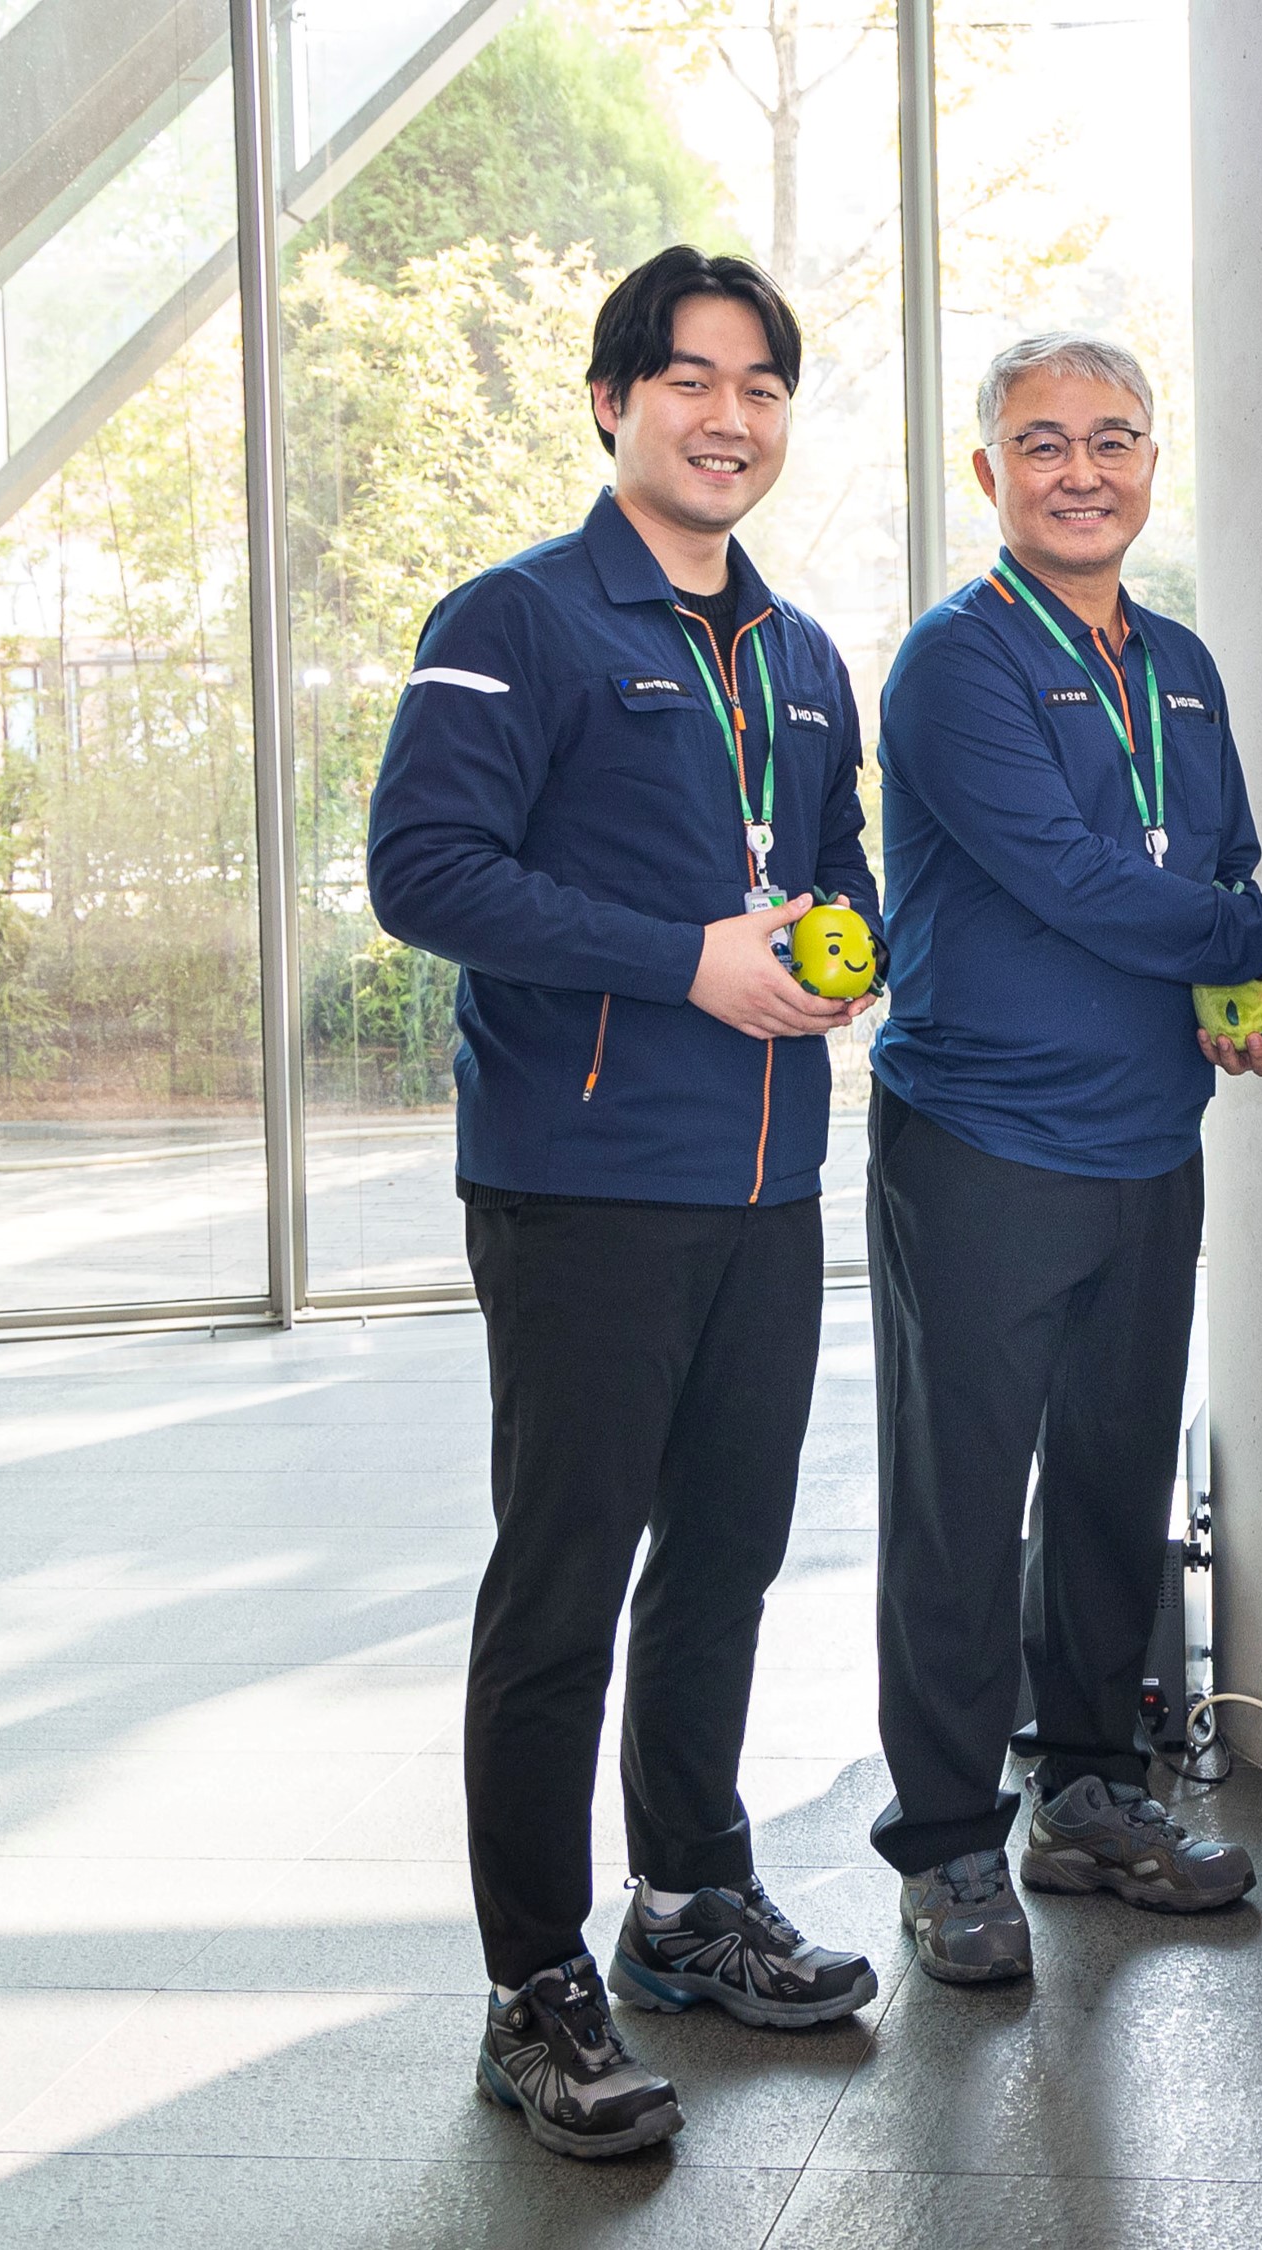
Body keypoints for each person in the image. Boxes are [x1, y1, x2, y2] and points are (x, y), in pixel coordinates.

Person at [368, 245, 885, 2162]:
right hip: (580, 1185)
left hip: (765, 1185)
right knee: (565, 1582)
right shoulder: (515, 619)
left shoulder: (806, 658)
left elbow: (843, 869)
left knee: (726, 1557)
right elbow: (422, 870)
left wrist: (844, 950)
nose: (728, 417)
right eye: (690, 380)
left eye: (761, 387)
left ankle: (686, 1899)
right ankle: (534, 1984)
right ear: (612, 402)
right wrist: (685, 960)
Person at [866, 332, 1262, 1985]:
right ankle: (947, 1839)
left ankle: (1093, 1791)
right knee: (963, 1502)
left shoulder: (1176, 660)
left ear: (1152, 463)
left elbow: (1217, 861)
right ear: (989, 472)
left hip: (1144, 1142)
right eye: (1043, 443)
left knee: (1113, 1477)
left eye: (1113, 438)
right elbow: (1075, 880)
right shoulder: (955, 664)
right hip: (982, 1143)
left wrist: (1242, 999)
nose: (1082, 470)